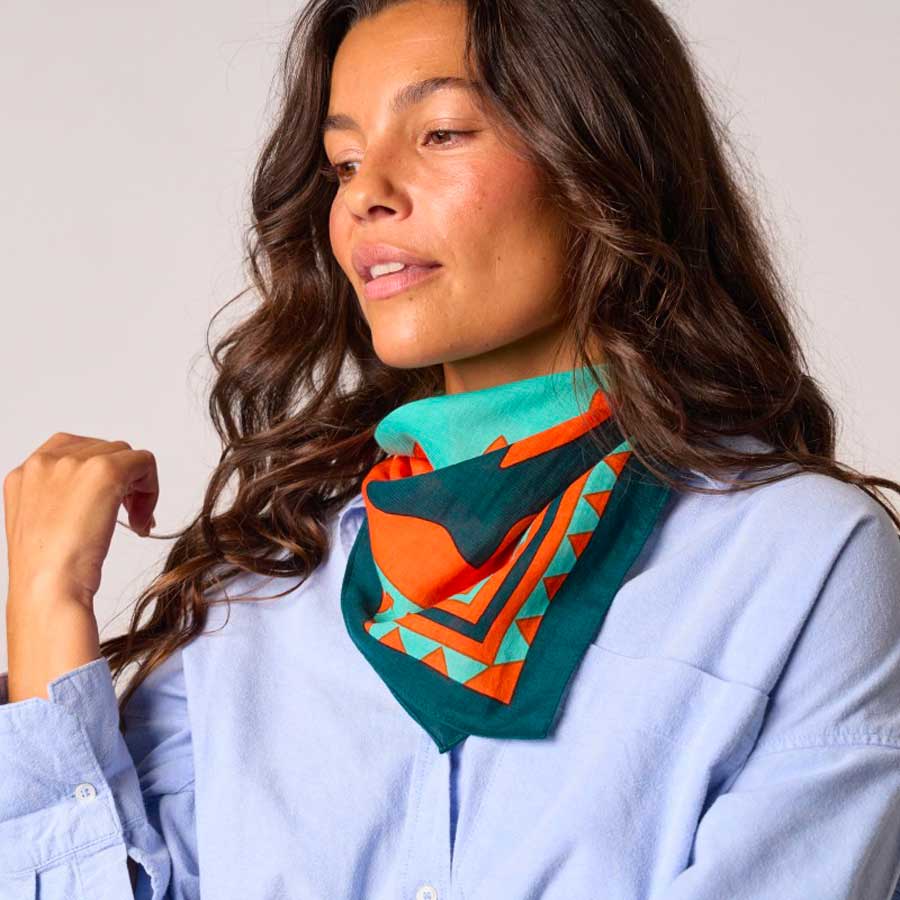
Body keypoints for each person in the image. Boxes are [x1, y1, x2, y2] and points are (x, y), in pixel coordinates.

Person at [2, 0, 900, 897]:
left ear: (603, 158)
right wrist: (46, 605)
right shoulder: (266, 587)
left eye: (440, 132)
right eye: (344, 162)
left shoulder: (803, 560)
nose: (365, 193)